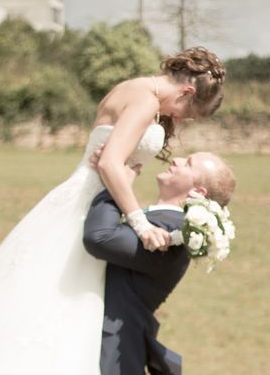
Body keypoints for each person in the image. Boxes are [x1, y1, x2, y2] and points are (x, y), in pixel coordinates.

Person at [0, 47, 226, 374]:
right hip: (84, 206)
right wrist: (140, 223)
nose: (177, 119)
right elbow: (108, 163)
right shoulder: (146, 100)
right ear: (187, 91)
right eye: (184, 113)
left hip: (84, 200)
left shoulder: (130, 87)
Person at [84, 152, 236, 375]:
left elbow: (100, 237)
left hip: (111, 353)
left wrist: (114, 182)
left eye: (189, 163)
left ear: (197, 192)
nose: (176, 160)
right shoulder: (157, 220)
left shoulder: (172, 234)